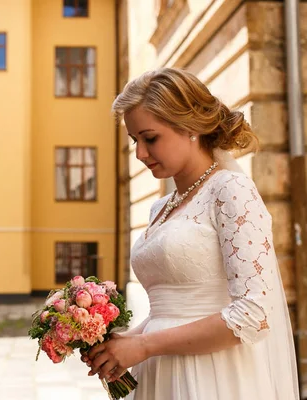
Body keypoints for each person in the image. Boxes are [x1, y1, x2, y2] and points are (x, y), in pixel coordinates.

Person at [82, 68, 299, 399]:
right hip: (160, 374)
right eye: (134, 140)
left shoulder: (231, 190)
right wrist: (123, 344)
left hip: (214, 376)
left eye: (150, 138)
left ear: (190, 128)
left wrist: (145, 345)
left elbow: (254, 314)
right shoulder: (160, 209)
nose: (140, 154)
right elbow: (168, 311)